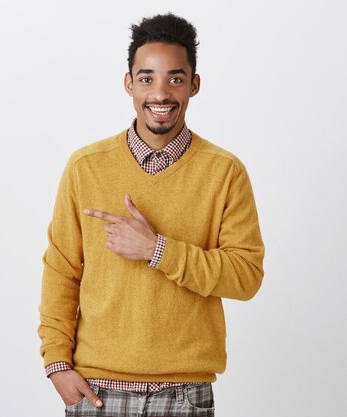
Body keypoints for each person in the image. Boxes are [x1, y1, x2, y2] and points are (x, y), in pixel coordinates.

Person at [38, 13, 264, 417]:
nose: (160, 93)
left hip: (184, 392)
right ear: (129, 83)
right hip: (95, 389)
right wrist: (56, 364)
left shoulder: (225, 172)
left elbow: (246, 277)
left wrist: (156, 249)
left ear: (194, 84)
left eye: (175, 79)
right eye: (146, 78)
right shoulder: (86, 166)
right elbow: (61, 270)